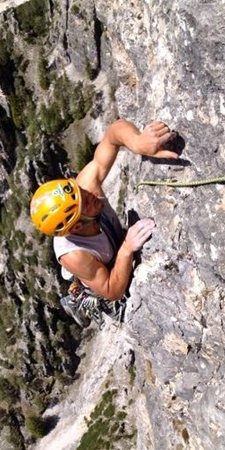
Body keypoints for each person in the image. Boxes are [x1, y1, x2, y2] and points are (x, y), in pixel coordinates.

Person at [30, 119, 178, 326]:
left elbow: (112, 135)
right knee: (120, 308)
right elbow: (113, 291)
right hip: (103, 277)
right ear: (77, 226)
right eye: (85, 203)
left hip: (107, 247)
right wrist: (126, 249)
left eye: (80, 191)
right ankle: (78, 300)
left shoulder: (85, 189)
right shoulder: (74, 255)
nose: (90, 195)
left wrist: (137, 143)